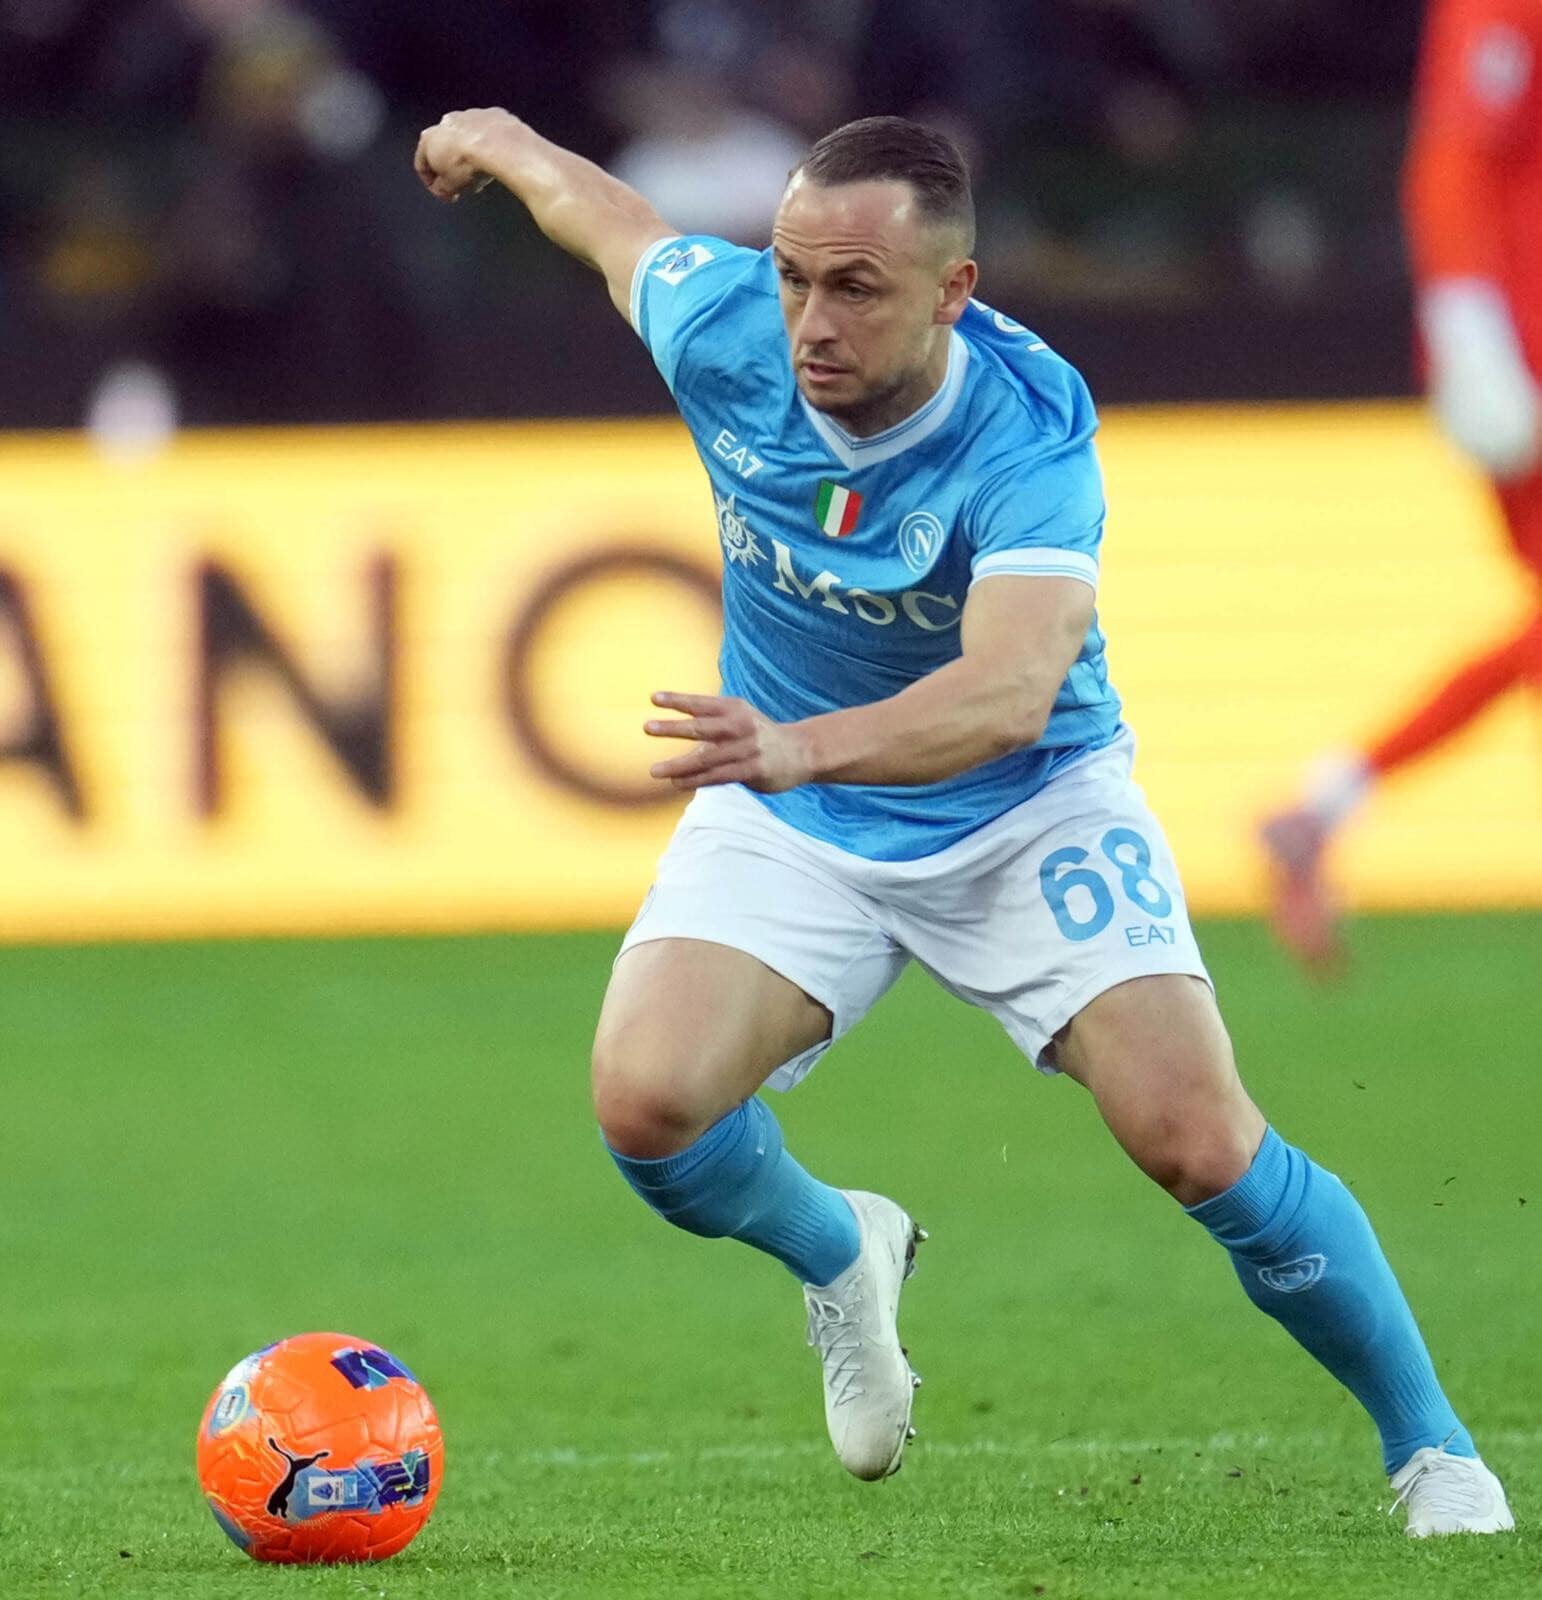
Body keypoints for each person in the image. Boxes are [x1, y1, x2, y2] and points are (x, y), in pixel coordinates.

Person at [414, 106, 1514, 1535]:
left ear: (953, 291)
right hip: (801, 811)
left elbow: (1005, 694)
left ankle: (1435, 1453)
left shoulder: (1028, 433)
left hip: (1022, 807)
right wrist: (502, 142)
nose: (810, 319)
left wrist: (796, 747)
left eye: (854, 287)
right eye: (793, 274)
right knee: (647, 1106)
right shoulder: (728, 327)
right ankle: (841, 1249)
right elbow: (612, 227)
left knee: (1195, 1137)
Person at [1260, 0, 1542, 971]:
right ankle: (1323, 806)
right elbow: (1456, 156)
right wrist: (1470, 324)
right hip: (1522, 348)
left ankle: (1321, 808)